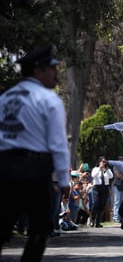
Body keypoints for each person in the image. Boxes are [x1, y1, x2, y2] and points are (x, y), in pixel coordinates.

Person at [0, 45, 70, 261]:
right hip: (34, 172)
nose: (56, 73)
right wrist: (64, 179)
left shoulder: (5, 97)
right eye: (52, 68)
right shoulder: (48, 100)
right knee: (39, 229)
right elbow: (58, 144)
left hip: (3, 169)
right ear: (39, 71)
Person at [90, 156, 113, 228]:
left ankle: (98, 222)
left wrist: (107, 169)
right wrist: (100, 168)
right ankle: (92, 219)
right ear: (99, 162)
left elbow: (111, 176)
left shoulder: (106, 170)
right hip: (97, 188)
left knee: (102, 205)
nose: (104, 163)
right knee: (96, 204)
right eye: (102, 161)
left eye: (105, 162)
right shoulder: (95, 169)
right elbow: (93, 175)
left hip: (105, 188)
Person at [112, 156, 123, 223]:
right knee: (117, 202)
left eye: (122, 159)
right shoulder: (116, 166)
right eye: (119, 159)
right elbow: (118, 175)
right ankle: (116, 217)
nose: (121, 160)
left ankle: (121, 217)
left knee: (122, 202)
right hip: (117, 185)